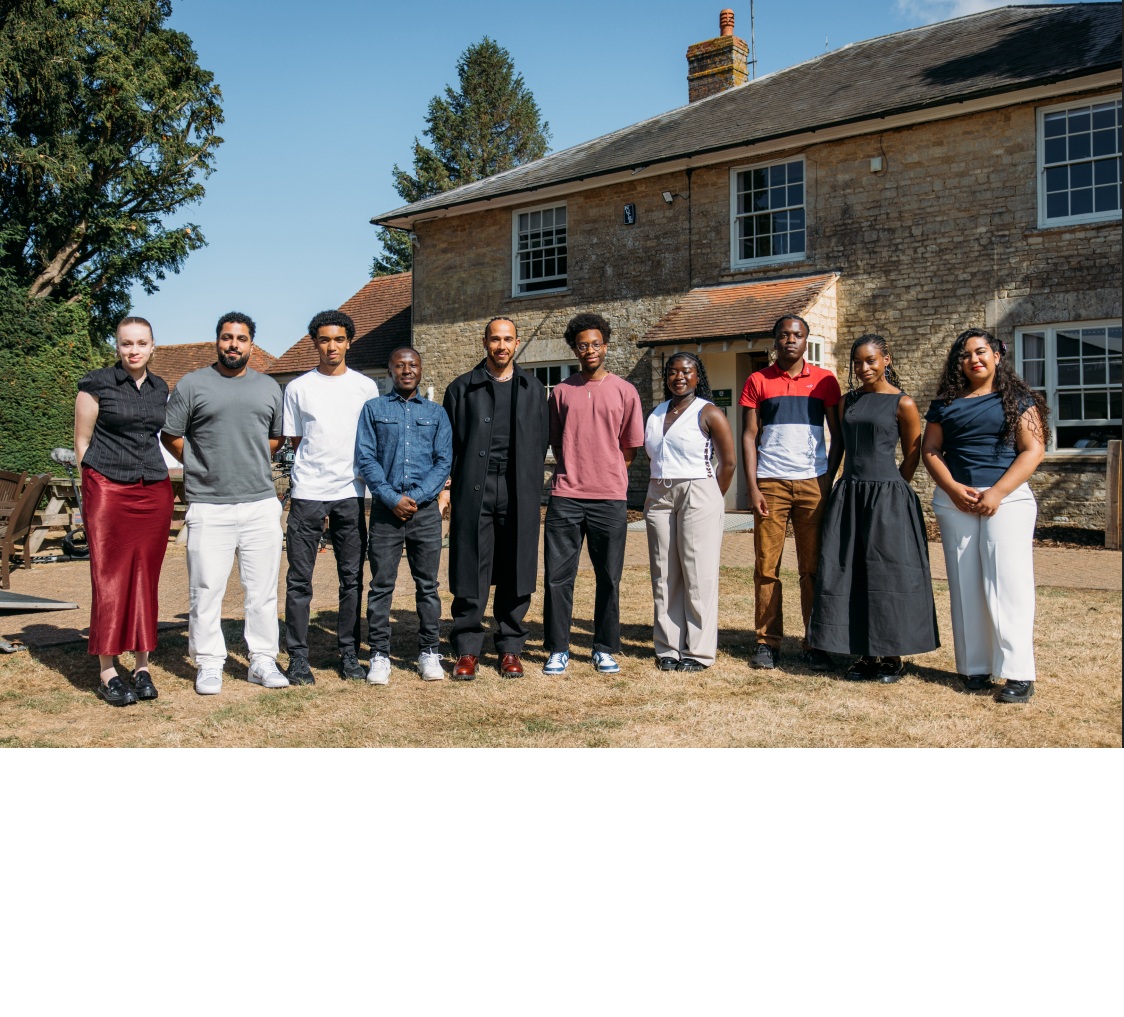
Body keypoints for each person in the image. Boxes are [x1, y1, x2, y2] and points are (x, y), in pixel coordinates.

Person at [161, 311, 289, 695]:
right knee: (206, 588)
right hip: (209, 504)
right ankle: (209, 663)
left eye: (242, 338)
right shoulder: (192, 384)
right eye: (227, 337)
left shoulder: (268, 387)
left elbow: (275, 439)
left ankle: (263, 661)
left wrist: (244, 460)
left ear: (251, 343)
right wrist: (203, 465)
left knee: (263, 590)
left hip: (259, 503)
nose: (234, 344)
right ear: (217, 340)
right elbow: (171, 436)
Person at [922, 328, 1048, 703]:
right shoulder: (944, 402)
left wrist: (997, 492)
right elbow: (931, 450)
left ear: (997, 356)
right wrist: (952, 489)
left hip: (1006, 501)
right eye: (965, 355)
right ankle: (974, 667)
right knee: (965, 585)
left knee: (1009, 586)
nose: (973, 359)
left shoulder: (1018, 399)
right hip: (955, 502)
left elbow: (1033, 450)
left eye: (981, 352)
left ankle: (1018, 673)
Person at [807, 335, 939, 681]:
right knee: (852, 572)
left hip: (887, 497)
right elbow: (838, 445)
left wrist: (891, 489)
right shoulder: (847, 401)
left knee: (887, 574)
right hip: (849, 494)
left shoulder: (903, 403)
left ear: (886, 360)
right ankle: (864, 654)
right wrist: (830, 484)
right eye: (857, 362)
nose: (864, 368)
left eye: (870, 360)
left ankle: (891, 655)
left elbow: (912, 454)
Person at [74, 316, 174, 707]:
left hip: (154, 488)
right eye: (125, 343)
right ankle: (108, 670)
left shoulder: (160, 387)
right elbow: (82, 442)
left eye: (140, 343)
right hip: (108, 488)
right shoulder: (96, 383)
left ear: (153, 347)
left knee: (145, 577)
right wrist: (96, 486)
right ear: (116, 347)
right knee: (109, 577)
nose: (133, 350)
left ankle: (143, 665)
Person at [442, 316, 549, 679]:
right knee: (470, 563)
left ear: (517, 343)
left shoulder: (534, 389)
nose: (501, 346)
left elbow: (541, 441)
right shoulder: (461, 389)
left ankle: (510, 647)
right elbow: (449, 446)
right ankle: (468, 649)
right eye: (495, 339)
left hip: (519, 486)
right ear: (484, 342)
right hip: (474, 486)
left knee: (517, 565)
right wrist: (446, 488)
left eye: (508, 339)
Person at [542, 312, 644, 676]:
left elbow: (629, 448)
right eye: (582, 345)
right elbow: (557, 441)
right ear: (574, 348)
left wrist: (608, 475)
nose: (589, 350)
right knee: (557, 576)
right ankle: (557, 648)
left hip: (609, 498)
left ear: (606, 345)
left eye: (595, 344)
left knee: (608, 576)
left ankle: (604, 647)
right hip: (565, 496)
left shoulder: (625, 391)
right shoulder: (561, 392)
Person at [281, 310, 380, 685]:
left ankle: (349, 653)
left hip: (351, 492)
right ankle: (298, 657)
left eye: (339, 339)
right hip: (307, 493)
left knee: (351, 578)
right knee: (299, 580)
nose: (331, 346)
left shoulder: (365, 387)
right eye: (324, 339)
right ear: (315, 343)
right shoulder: (298, 388)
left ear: (349, 342)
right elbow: (295, 441)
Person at [740, 314, 842, 671]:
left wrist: (827, 478)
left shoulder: (826, 381)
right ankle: (768, 642)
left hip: (813, 483)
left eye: (797, 335)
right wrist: (752, 486)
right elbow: (750, 436)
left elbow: (838, 435)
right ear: (775, 340)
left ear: (806, 340)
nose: (790, 340)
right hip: (770, 484)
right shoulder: (757, 380)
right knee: (767, 568)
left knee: (812, 569)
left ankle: (814, 643)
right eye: (783, 335)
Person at [355, 346, 452, 684]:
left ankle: (429, 652)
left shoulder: (437, 414)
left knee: (428, 585)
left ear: (421, 369)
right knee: (381, 586)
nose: (407, 370)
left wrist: (418, 496)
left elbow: (443, 462)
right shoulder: (373, 409)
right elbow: (366, 459)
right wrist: (391, 497)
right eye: (400, 365)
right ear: (390, 370)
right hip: (385, 512)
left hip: (424, 514)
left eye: (413, 365)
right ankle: (379, 655)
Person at [643, 353, 736, 672]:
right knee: (664, 574)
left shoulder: (708, 412)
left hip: (699, 489)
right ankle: (668, 647)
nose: (679, 376)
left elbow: (729, 462)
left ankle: (698, 652)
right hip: (659, 493)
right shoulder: (656, 413)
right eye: (672, 372)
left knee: (698, 574)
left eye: (687, 371)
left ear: (699, 377)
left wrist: (710, 497)